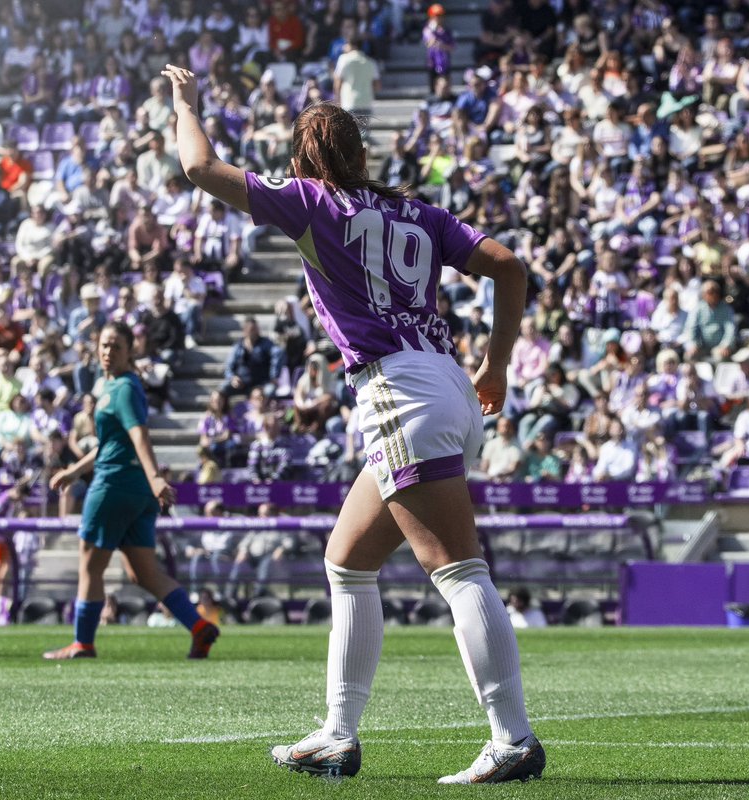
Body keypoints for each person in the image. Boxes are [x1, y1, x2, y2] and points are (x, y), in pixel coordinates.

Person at [164, 64, 543, 783]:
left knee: (458, 569)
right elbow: (509, 267)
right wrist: (496, 365)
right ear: (360, 154)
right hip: (444, 382)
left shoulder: (313, 202)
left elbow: (199, 168)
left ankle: (513, 739)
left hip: (398, 390)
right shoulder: (419, 213)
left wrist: (185, 104)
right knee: (348, 561)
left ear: (304, 158)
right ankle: (338, 734)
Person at [43, 321, 220, 661]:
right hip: (136, 491)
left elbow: (139, 435)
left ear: (130, 351)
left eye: (116, 346)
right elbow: (113, 442)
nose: (108, 352)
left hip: (114, 485)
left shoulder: (122, 388)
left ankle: (82, 643)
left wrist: (156, 478)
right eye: (104, 345)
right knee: (144, 573)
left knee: (90, 565)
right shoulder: (116, 386)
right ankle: (199, 627)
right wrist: (74, 471)